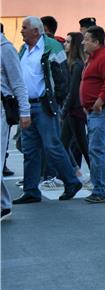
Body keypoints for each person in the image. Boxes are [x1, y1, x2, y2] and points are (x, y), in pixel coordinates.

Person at [14, 17, 82, 204]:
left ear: (36, 31)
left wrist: (58, 102)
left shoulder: (52, 46)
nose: (21, 31)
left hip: (44, 104)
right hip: (27, 105)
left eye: (24, 28)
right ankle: (31, 190)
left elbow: (63, 77)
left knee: (52, 146)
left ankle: (71, 181)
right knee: (30, 150)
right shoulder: (23, 49)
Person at [80, 25, 105, 204]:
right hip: (96, 110)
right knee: (101, 150)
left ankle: (100, 190)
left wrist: (99, 101)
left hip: (103, 110)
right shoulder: (93, 57)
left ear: (96, 42)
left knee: (96, 150)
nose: (84, 42)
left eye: (87, 40)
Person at [1, 29, 31, 220]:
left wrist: (25, 111)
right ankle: (3, 204)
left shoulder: (5, 49)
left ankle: (4, 205)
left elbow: (18, 83)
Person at [60, 32, 90, 176]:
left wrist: (63, 111)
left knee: (82, 145)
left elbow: (72, 92)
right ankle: (73, 174)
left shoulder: (77, 64)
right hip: (72, 109)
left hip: (76, 109)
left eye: (68, 42)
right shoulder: (71, 62)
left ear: (74, 45)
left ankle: (94, 176)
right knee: (63, 143)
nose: (65, 44)